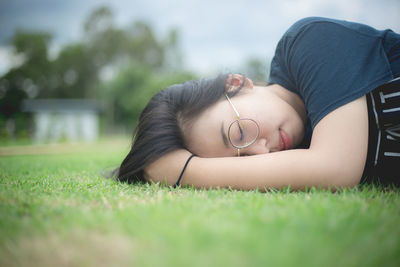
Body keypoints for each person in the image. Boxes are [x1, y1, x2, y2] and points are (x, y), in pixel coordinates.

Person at [116, 17, 400, 191]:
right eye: (247, 161)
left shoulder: (308, 44)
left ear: (236, 84)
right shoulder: (301, 153)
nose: (262, 151)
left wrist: (186, 172)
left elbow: (336, 168)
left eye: (240, 133)